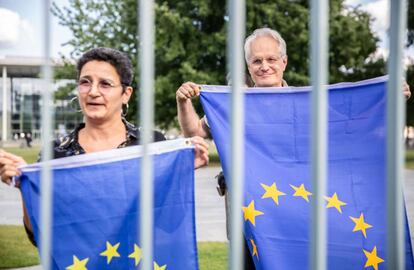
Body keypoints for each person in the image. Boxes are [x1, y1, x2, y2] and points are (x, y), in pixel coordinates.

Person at [176, 27, 411, 269]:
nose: (264, 66)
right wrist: (183, 102)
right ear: (248, 67)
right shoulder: (232, 106)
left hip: (297, 216)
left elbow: (350, 127)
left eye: (271, 59)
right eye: (256, 61)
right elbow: (195, 133)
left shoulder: (308, 104)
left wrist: (386, 100)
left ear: (284, 62)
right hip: (249, 222)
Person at [0, 47, 209, 246]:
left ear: (126, 93)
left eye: (105, 84)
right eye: (85, 82)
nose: (92, 92)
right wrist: (25, 185)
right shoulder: (56, 153)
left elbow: (170, 224)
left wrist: (177, 172)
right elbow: (40, 237)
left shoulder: (151, 145)